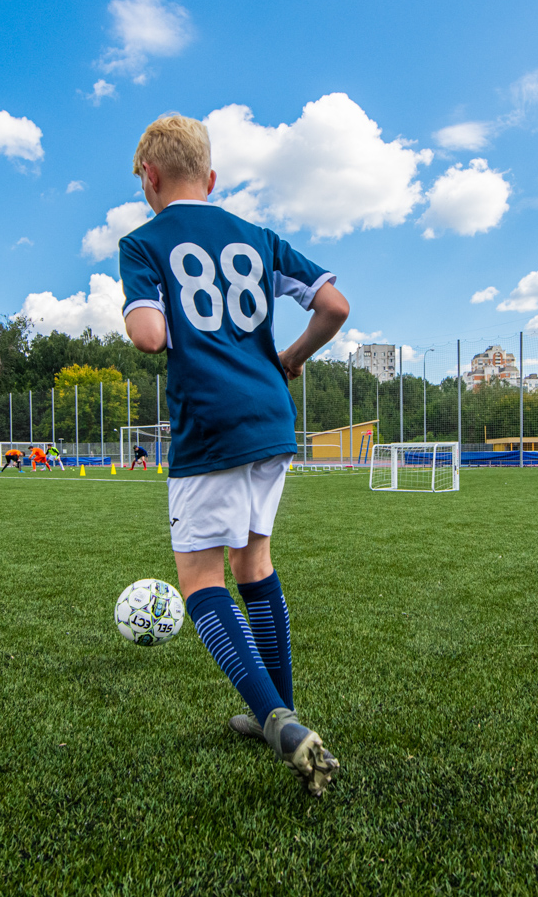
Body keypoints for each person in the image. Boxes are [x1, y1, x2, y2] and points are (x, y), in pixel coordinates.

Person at [120, 113, 351, 797]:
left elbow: (149, 334)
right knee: (255, 560)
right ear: (212, 178)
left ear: (150, 178)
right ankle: (278, 706)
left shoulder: (143, 242)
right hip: (271, 418)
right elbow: (335, 305)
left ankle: (277, 718)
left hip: (211, 422)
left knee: (200, 578)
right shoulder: (258, 236)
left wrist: (151, 314)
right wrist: (287, 359)